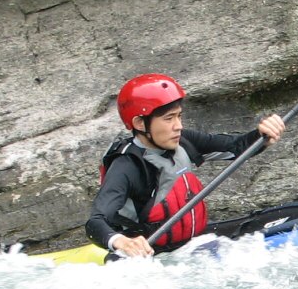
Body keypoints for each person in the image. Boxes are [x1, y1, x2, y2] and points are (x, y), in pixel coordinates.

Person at [86, 73, 285, 258]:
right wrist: (120, 241)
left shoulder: (183, 141)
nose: (178, 126)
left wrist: (262, 135)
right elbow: (96, 221)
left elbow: (237, 146)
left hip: (192, 244)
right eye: (169, 118)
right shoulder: (127, 166)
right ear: (140, 123)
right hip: (152, 256)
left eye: (179, 116)